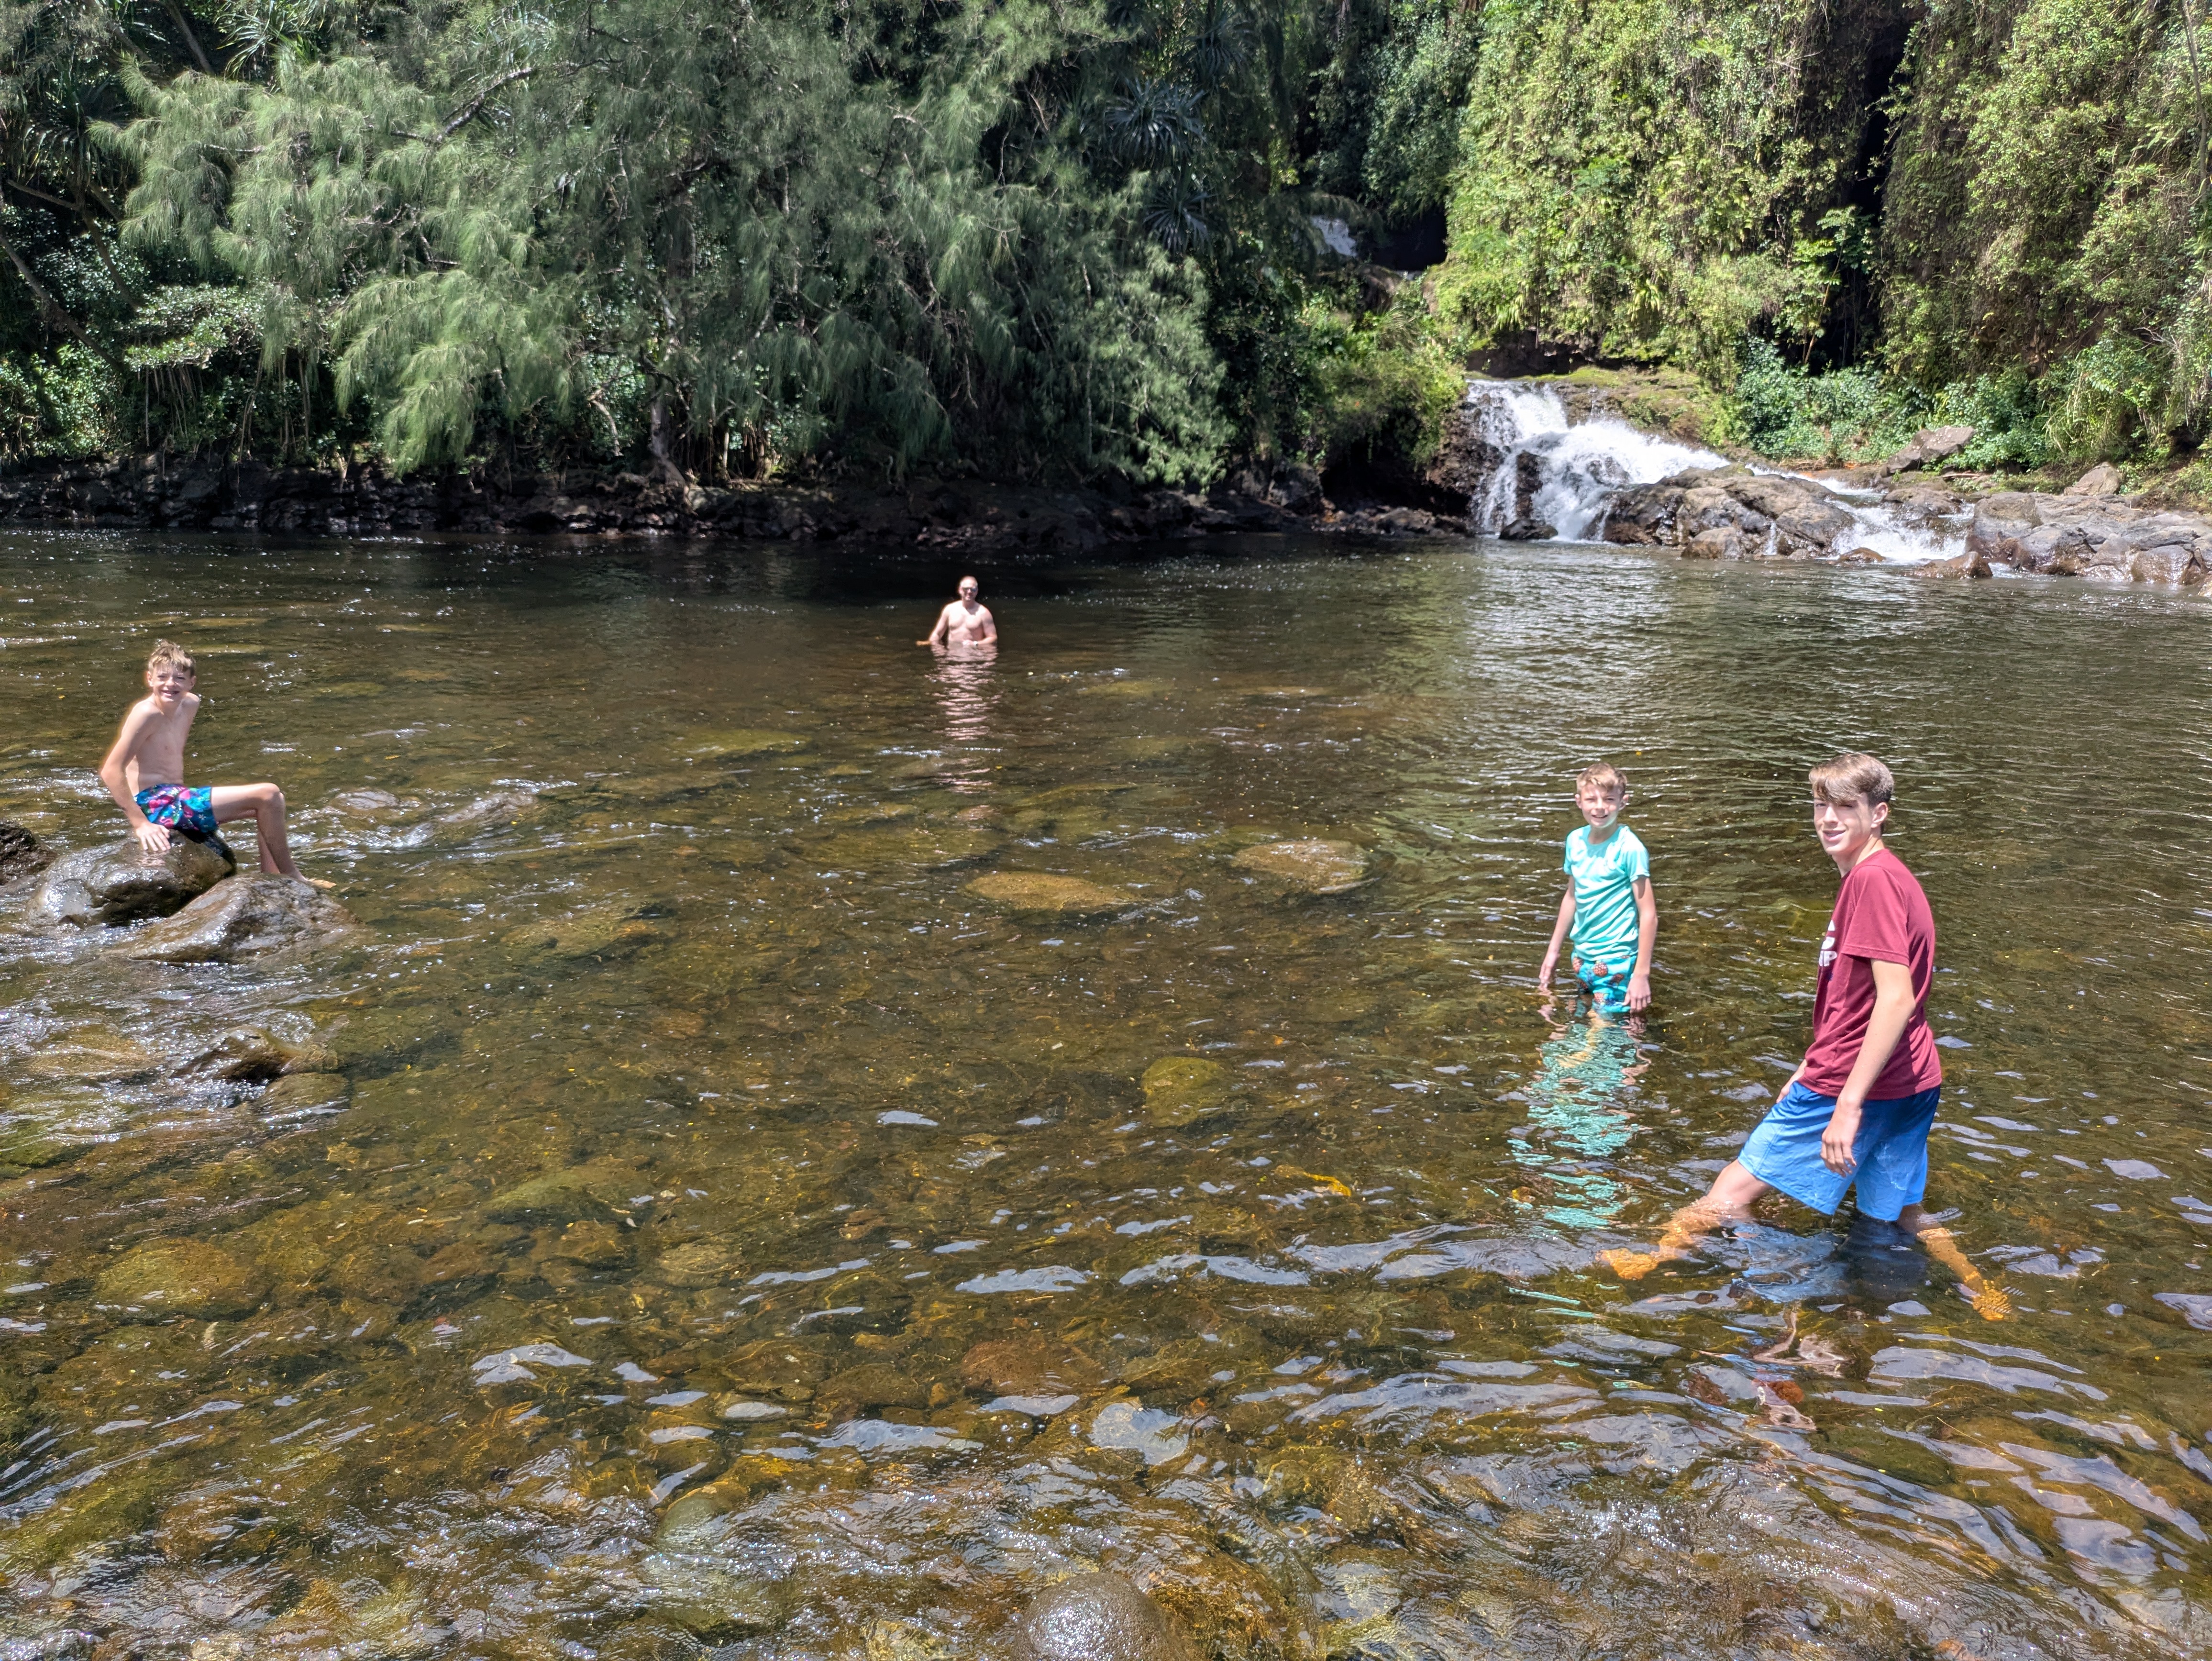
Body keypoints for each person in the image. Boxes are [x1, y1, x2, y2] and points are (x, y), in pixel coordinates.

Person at [1600, 753, 2007, 1318]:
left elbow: (1895, 996)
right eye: (1821, 804)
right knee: (1896, 1211)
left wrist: (1845, 1102)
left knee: (1732, 1190)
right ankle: (1978, 1285)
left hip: (1859, 1080)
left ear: (1879, 813)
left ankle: (1657, 1261)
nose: (1829, 818)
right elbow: (1863, 1000)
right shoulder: (1892, 877)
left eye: (1846, 806)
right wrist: (1809, 1062)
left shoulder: (1870, 881)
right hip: (1912, 1076)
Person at [98, 638, 311, 881]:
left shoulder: (190, 703)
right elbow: (111, 770)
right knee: (268, 793)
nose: (170, 684)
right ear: (149, 679)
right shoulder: (147, 714)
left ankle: (271, 875)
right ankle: (292, 875)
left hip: (176, 795)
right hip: (154, 804)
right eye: (162, 677)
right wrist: (140, 823)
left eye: (179, 678)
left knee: (273, 803)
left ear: (192, 683)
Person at [1537, 762, 1656, 1016]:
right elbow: (1571, 897)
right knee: (1582, 1020)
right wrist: (1553, 952)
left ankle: (1638, 1052)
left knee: (1609, 1029)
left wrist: (1641, 975)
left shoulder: (1630, 848)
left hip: (1617, 960)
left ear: (1623, 802)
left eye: (1609, 800)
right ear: (1579, 801)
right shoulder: (1574, 841)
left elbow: (1649, 914)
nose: (1600, 807)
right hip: (1581, 957)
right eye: (1592, 799)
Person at [918, 575, 997, 649]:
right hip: (952, 655)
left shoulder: (984, 613)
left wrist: (975, 644)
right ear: (960, 590)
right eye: (966, 589)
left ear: (977, 591)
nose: (969, 592)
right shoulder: (949, 609)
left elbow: (993, 638)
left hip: (973, 656)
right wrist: (938, 651)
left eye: (973, 589)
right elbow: (937, 634)